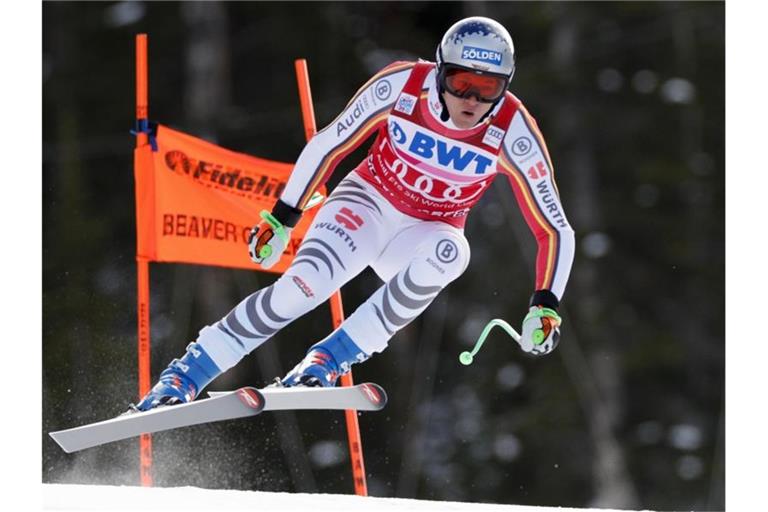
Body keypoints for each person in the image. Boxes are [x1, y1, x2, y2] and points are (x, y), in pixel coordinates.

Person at [134, 16, 575, 410]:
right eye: (461, 82)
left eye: (488, 87)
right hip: (367, 204)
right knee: (305, 288)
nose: (472, 99)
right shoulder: (402, 85)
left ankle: (328, 359)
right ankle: (185, 375)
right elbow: (330, 144)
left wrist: (546, 304)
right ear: (440, 72)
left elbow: (554, 228)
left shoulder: (514, 131)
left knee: (452, 253)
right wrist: (282, 217)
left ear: (506, 86)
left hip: (424, 234)